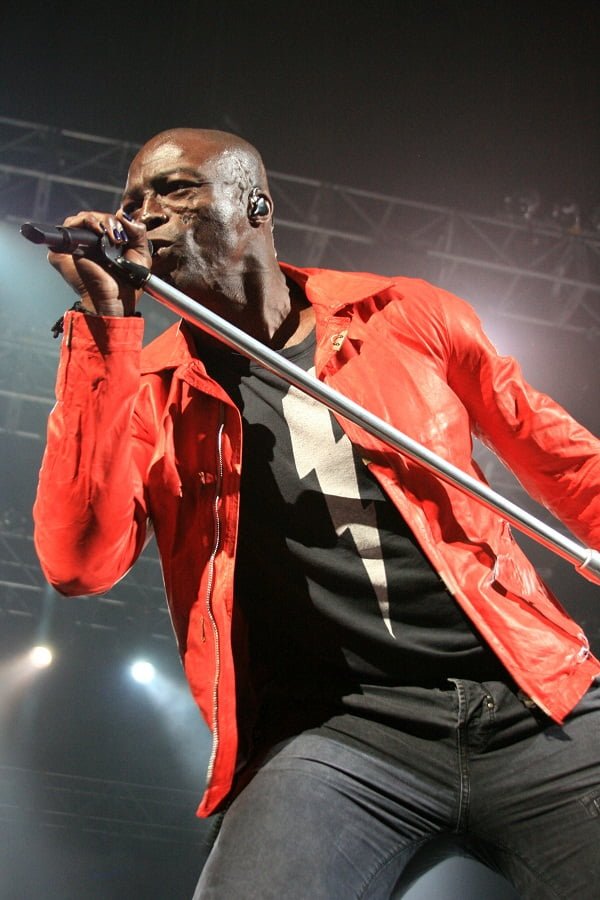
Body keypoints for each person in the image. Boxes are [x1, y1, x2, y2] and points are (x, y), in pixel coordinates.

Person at [33, 128, 600, 899]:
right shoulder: (150, 391)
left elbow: (565, 460)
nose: (143, 214)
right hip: (339, 735)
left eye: (174, 189)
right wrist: (104, 332)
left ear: (256, 208)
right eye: (132, 200)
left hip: (533, 699)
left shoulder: (403, 315)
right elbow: (76, 563)